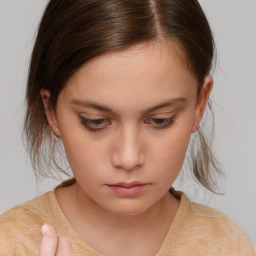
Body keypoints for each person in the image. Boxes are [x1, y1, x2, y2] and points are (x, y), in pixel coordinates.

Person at [0, 0, 255, 255]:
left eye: (160, 120)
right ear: (51, 111)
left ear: (199, 104)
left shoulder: (226, 246)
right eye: (95, 121)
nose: (129, 158)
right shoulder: (11, 244)